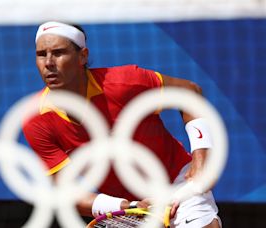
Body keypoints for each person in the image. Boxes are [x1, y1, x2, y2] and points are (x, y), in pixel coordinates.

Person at [22, 21, 221, 227]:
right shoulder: (35, 120)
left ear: (83, 55)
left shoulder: (124, 82)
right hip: (129, 208)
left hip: (178, 183)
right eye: (41, 54)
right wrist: (127, 206)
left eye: (59, 52)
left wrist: (201, 159)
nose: (48, 62)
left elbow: (189, 92)